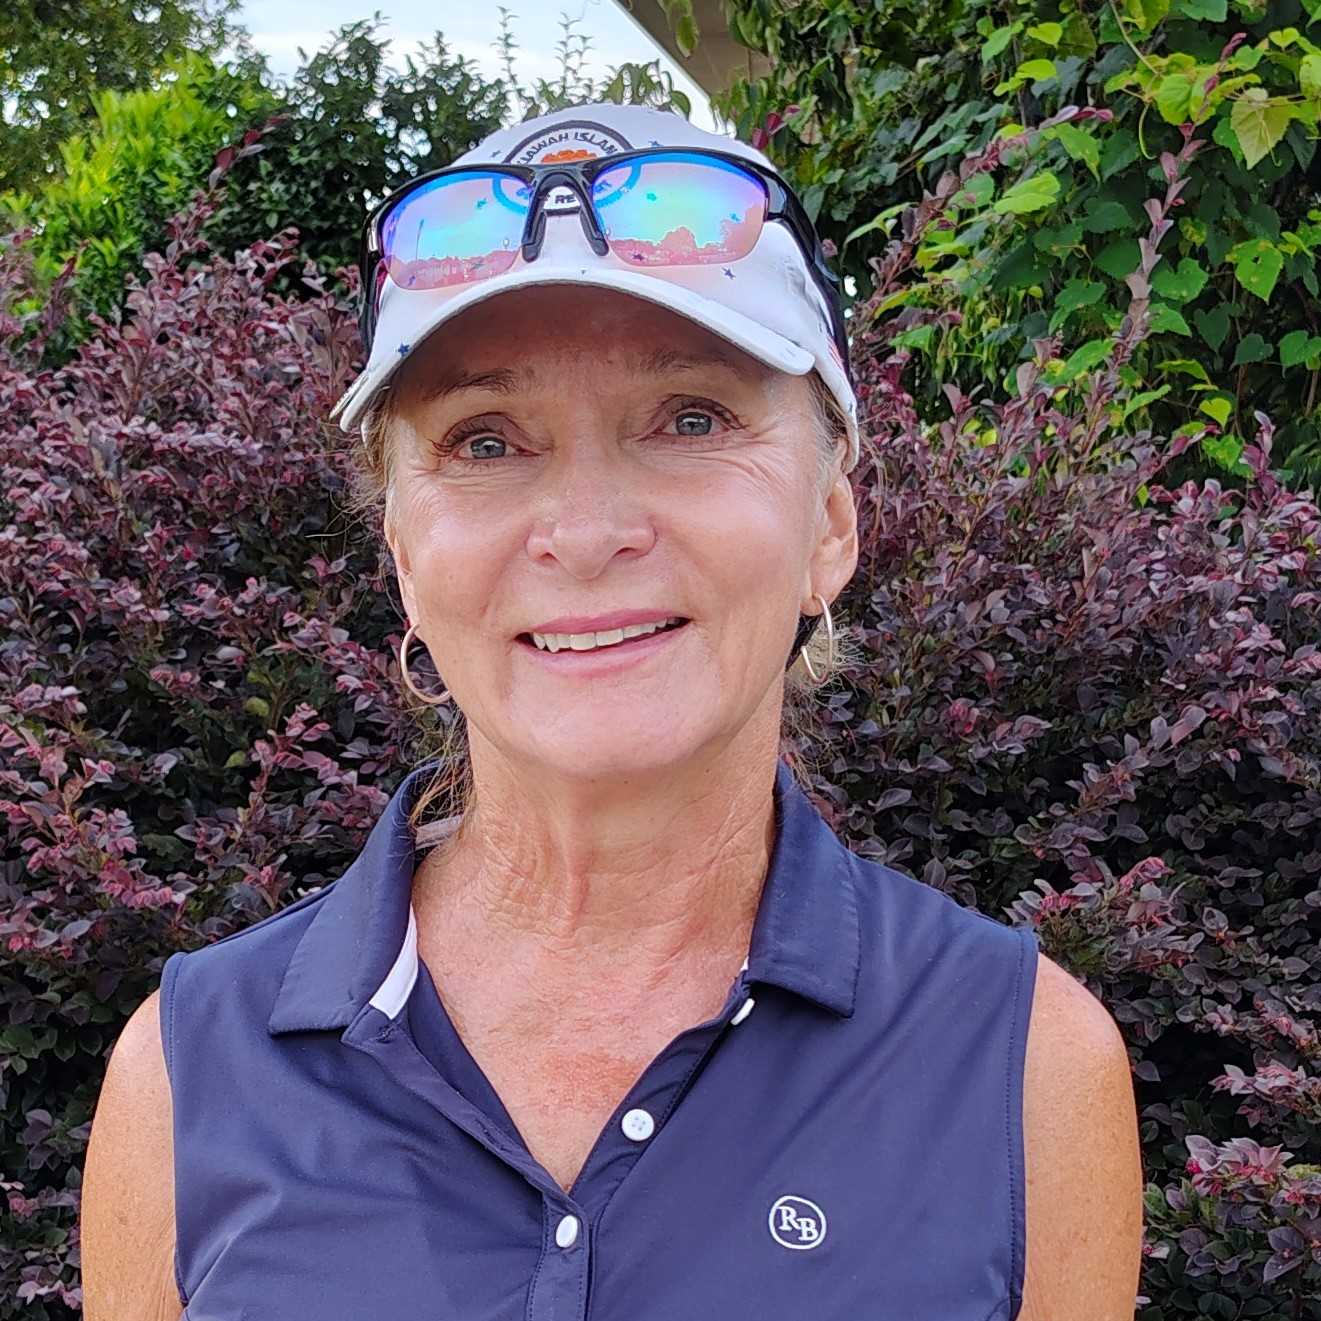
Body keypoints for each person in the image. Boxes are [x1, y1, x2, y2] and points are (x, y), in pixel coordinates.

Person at [80, 103, 1143, 1321]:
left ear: (829, 524)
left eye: (691, 417)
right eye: (485, 441)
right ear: (404, 557)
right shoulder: (186, 1074)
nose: (585, 533)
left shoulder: (1024, 1068)